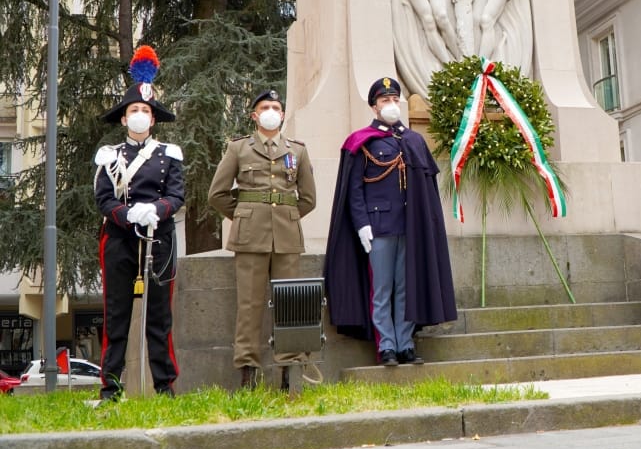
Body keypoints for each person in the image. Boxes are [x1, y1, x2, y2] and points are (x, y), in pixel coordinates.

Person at [324, 77, 457, 365]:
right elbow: (354, 190)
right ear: (374, 107)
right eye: (385, 100)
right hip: (379, 227)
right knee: (382, 289)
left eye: (395, 99)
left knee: (406, 287)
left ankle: (405, 344)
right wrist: (362, 225)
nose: (392, 104)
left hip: (411, 227)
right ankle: (386, 345)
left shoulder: (413, 141)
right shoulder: (362, 141)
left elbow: (427, 190)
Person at [208, 89, 317, 390]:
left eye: (276, 107)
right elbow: (217, 194)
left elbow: (308, 199)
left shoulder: (298, 151)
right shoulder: (238, 148)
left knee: (290, 303)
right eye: (265, 107)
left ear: (282, 115)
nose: (271, 111)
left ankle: (288, 371)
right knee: (249, 305)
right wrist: (245, 215)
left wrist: (287, 216)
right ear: (254, 115)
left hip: (286, 237)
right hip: (250, 237)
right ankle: (248, 372)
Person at [93, 46, 183, 401]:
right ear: (123, 118)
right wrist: (127, 214)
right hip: (120, 239)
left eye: (146, 111)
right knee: (115, 316)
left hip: (159, 239)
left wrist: (156, 210)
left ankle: (165, 386)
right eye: (134, 110)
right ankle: (110, 388)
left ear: (154, 118)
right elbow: (104, 198)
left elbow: (177, 195)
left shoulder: (169, 154)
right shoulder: (110, 156)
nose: (140, 115)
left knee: (159, 318)